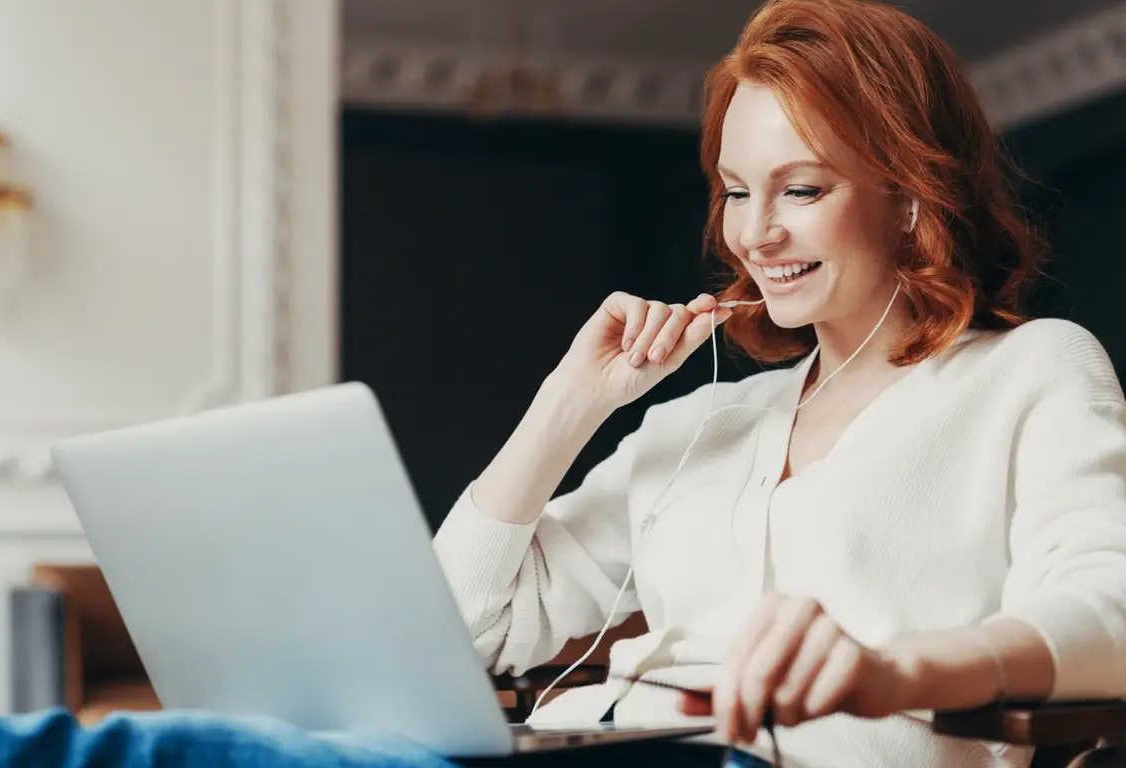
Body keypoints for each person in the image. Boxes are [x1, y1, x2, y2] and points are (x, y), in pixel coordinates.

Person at [432, 0, 1126, 766]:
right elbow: (454, 634)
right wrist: (569, 402)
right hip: (613, 745)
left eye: (801, 190)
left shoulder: (1031, 373)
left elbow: (1110, 617)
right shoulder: (700, 424)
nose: (755, 233)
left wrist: (895, 674)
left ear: (911, 198)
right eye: (736, 192)